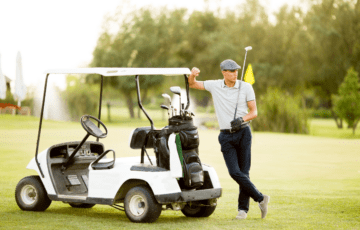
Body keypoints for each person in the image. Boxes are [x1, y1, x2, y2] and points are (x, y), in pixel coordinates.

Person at [188, 59, 270, 220]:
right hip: (225, 135)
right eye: (231, 71)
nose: (235, 73)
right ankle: (261, 198)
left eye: (236, 70)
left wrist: (242, 119)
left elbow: (254, 112)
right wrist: (192, 75)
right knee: (234, 172)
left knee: (244, 173)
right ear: (224, 72)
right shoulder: (215, 85)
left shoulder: (246, 87)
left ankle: (242, 210)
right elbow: (193, 84)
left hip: (244, 133)